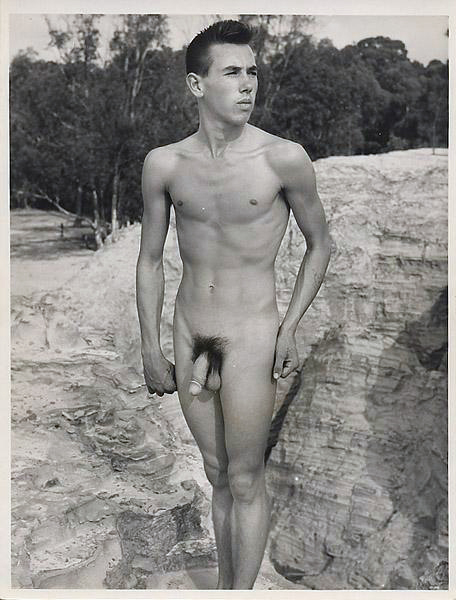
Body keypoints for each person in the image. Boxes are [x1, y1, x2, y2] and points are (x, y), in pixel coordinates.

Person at [136, 19, 331, 590]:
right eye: (231, 73)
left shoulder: (282, 159)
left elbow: (321, 243)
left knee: (245, 478)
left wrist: (289, 327)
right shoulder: (164, 164)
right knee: (217, 472)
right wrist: (150, 348)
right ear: (197, 85)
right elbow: (149, 260)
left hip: (251, 334)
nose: (247, 84)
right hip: (189, 330)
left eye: (252, 72)